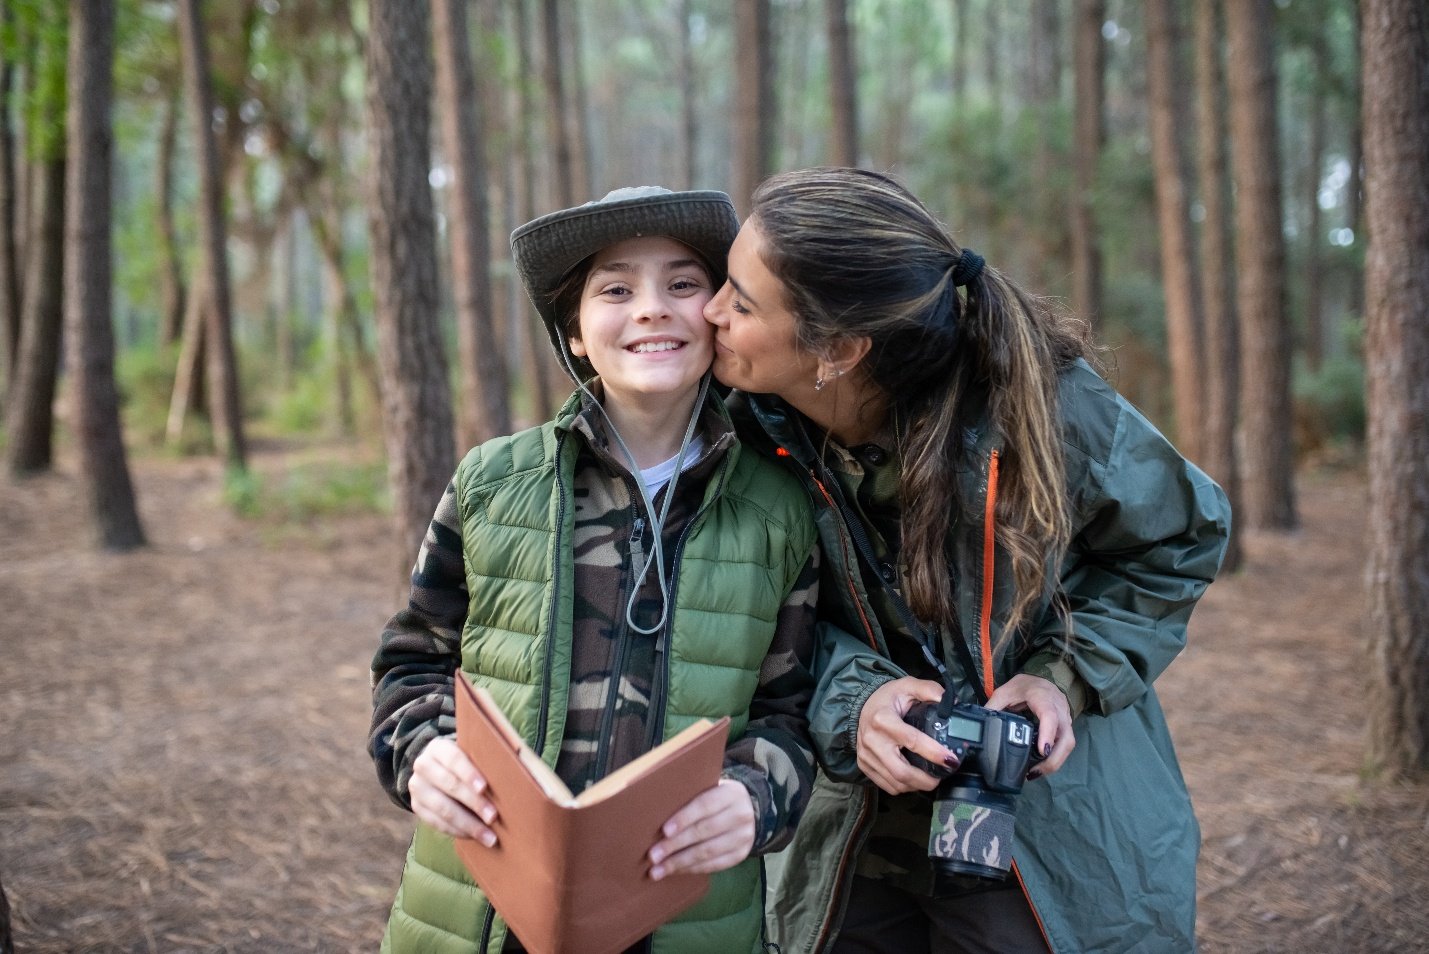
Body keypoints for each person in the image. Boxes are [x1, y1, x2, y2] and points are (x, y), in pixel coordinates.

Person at [703, 167, 1231, 954]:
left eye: (740, 303)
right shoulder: (735, 437)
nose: (710, 310)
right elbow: (737, 617)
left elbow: (1177, 538)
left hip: (1047, 827)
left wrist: (1063, 674)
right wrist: (857, 702)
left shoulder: (1042, 408)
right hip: (846, 826)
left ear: (838, 350)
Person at [369, 187, 822, 954]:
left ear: (717, 315)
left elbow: (794, 709)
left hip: (684, 918)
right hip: (478, 909)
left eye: (682, 284)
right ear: (575, 333)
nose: (651, 308)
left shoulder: (779, 510)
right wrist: (423, 752)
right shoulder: (491, 482)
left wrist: (754, 797)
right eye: (615, 289)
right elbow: (413, 662)